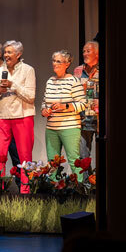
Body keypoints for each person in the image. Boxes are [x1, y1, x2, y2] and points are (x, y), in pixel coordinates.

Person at [0, 40, 36, 194]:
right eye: (5, 52)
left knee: (24, 156)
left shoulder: (28, 70)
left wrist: (13, 85)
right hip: (2, 116)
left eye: (9, 52)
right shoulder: (0, 70)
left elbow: (31, 97)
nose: (6, 55)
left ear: (19, 54)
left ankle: (26, 190)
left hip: (22, 117)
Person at [42, 50, 87, 182]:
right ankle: (54, 192)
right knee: (52, 162)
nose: (55, 64)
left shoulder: (73, 81)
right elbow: (44, 102)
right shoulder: (50, 81)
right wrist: (44, 110)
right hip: (51, 128)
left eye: (58, 61)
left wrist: (65, 106)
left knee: (74, 161)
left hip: (70, 127)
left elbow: (83, 104)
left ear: (67, 64)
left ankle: (80, 191)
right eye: (54, 61)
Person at [73, 40, 99, 159]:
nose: (85, 54)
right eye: (84, 51)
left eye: (88, 51)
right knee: (83, 156)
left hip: (99, 119)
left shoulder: (103, 70)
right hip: (83, 119)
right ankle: (86, 178)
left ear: (97, 54)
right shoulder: (78, 71)